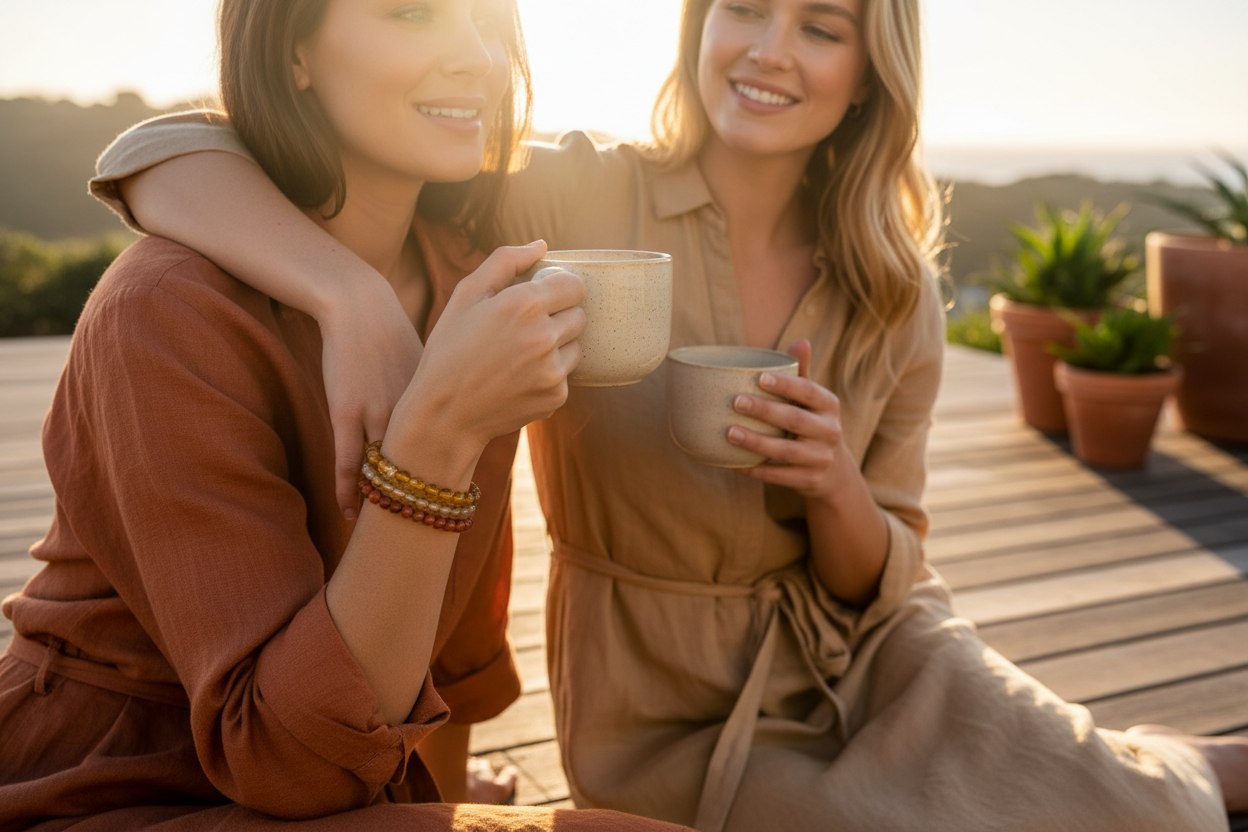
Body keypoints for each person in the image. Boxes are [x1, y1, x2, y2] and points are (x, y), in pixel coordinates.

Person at [86, 0, 1247, 828]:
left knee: (1120, 806)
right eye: (744, 9)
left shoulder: (892, 290)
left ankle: (1169, 764)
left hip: (860, 650)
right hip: (656, 690)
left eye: (823, 27)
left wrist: (834, 484)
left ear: (869, 69)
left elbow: (889, 573)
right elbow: (172, 148)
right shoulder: (581, 190)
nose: (771, 49)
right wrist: (348, 300)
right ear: (697, 27)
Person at [0, 1, 694, 830]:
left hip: (349, 773)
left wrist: (449, 793)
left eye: (487, 24)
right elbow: (287, 763)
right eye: (411, 13)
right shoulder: (167, 310)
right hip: (114, 784)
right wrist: (434, 438)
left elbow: (452, 638)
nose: (478, 58)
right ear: (294, 53)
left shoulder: (469, 277)